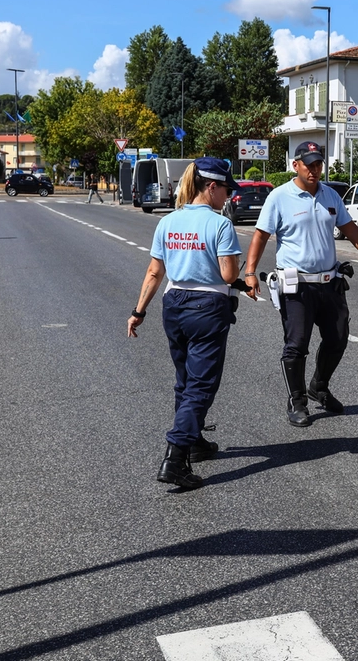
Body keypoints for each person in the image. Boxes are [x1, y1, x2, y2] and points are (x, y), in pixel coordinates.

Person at [243, 141, 358, 427]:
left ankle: (319, 387)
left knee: (338, 338)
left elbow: (349, 229)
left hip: (329, 282)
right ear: (295, 165)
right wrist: (250, 272)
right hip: (296, 286)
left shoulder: (331, 195)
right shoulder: (279, 197)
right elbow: (260, 236)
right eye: (308, 164)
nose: (314, 170)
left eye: (318, 164)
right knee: (296, 345)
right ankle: (297, 400)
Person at [128, 158, 243, 489]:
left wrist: (138, 312)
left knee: (185, 380)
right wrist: (238, 274)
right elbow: (228, 275)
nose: (227, 196)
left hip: (173, 304)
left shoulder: (168, 222)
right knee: (201, 385)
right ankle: (175, 458)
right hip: (207, 307)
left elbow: (154, 272)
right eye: (225, 190)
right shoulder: (220, 225)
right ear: (211, 187)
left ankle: (194, 443)